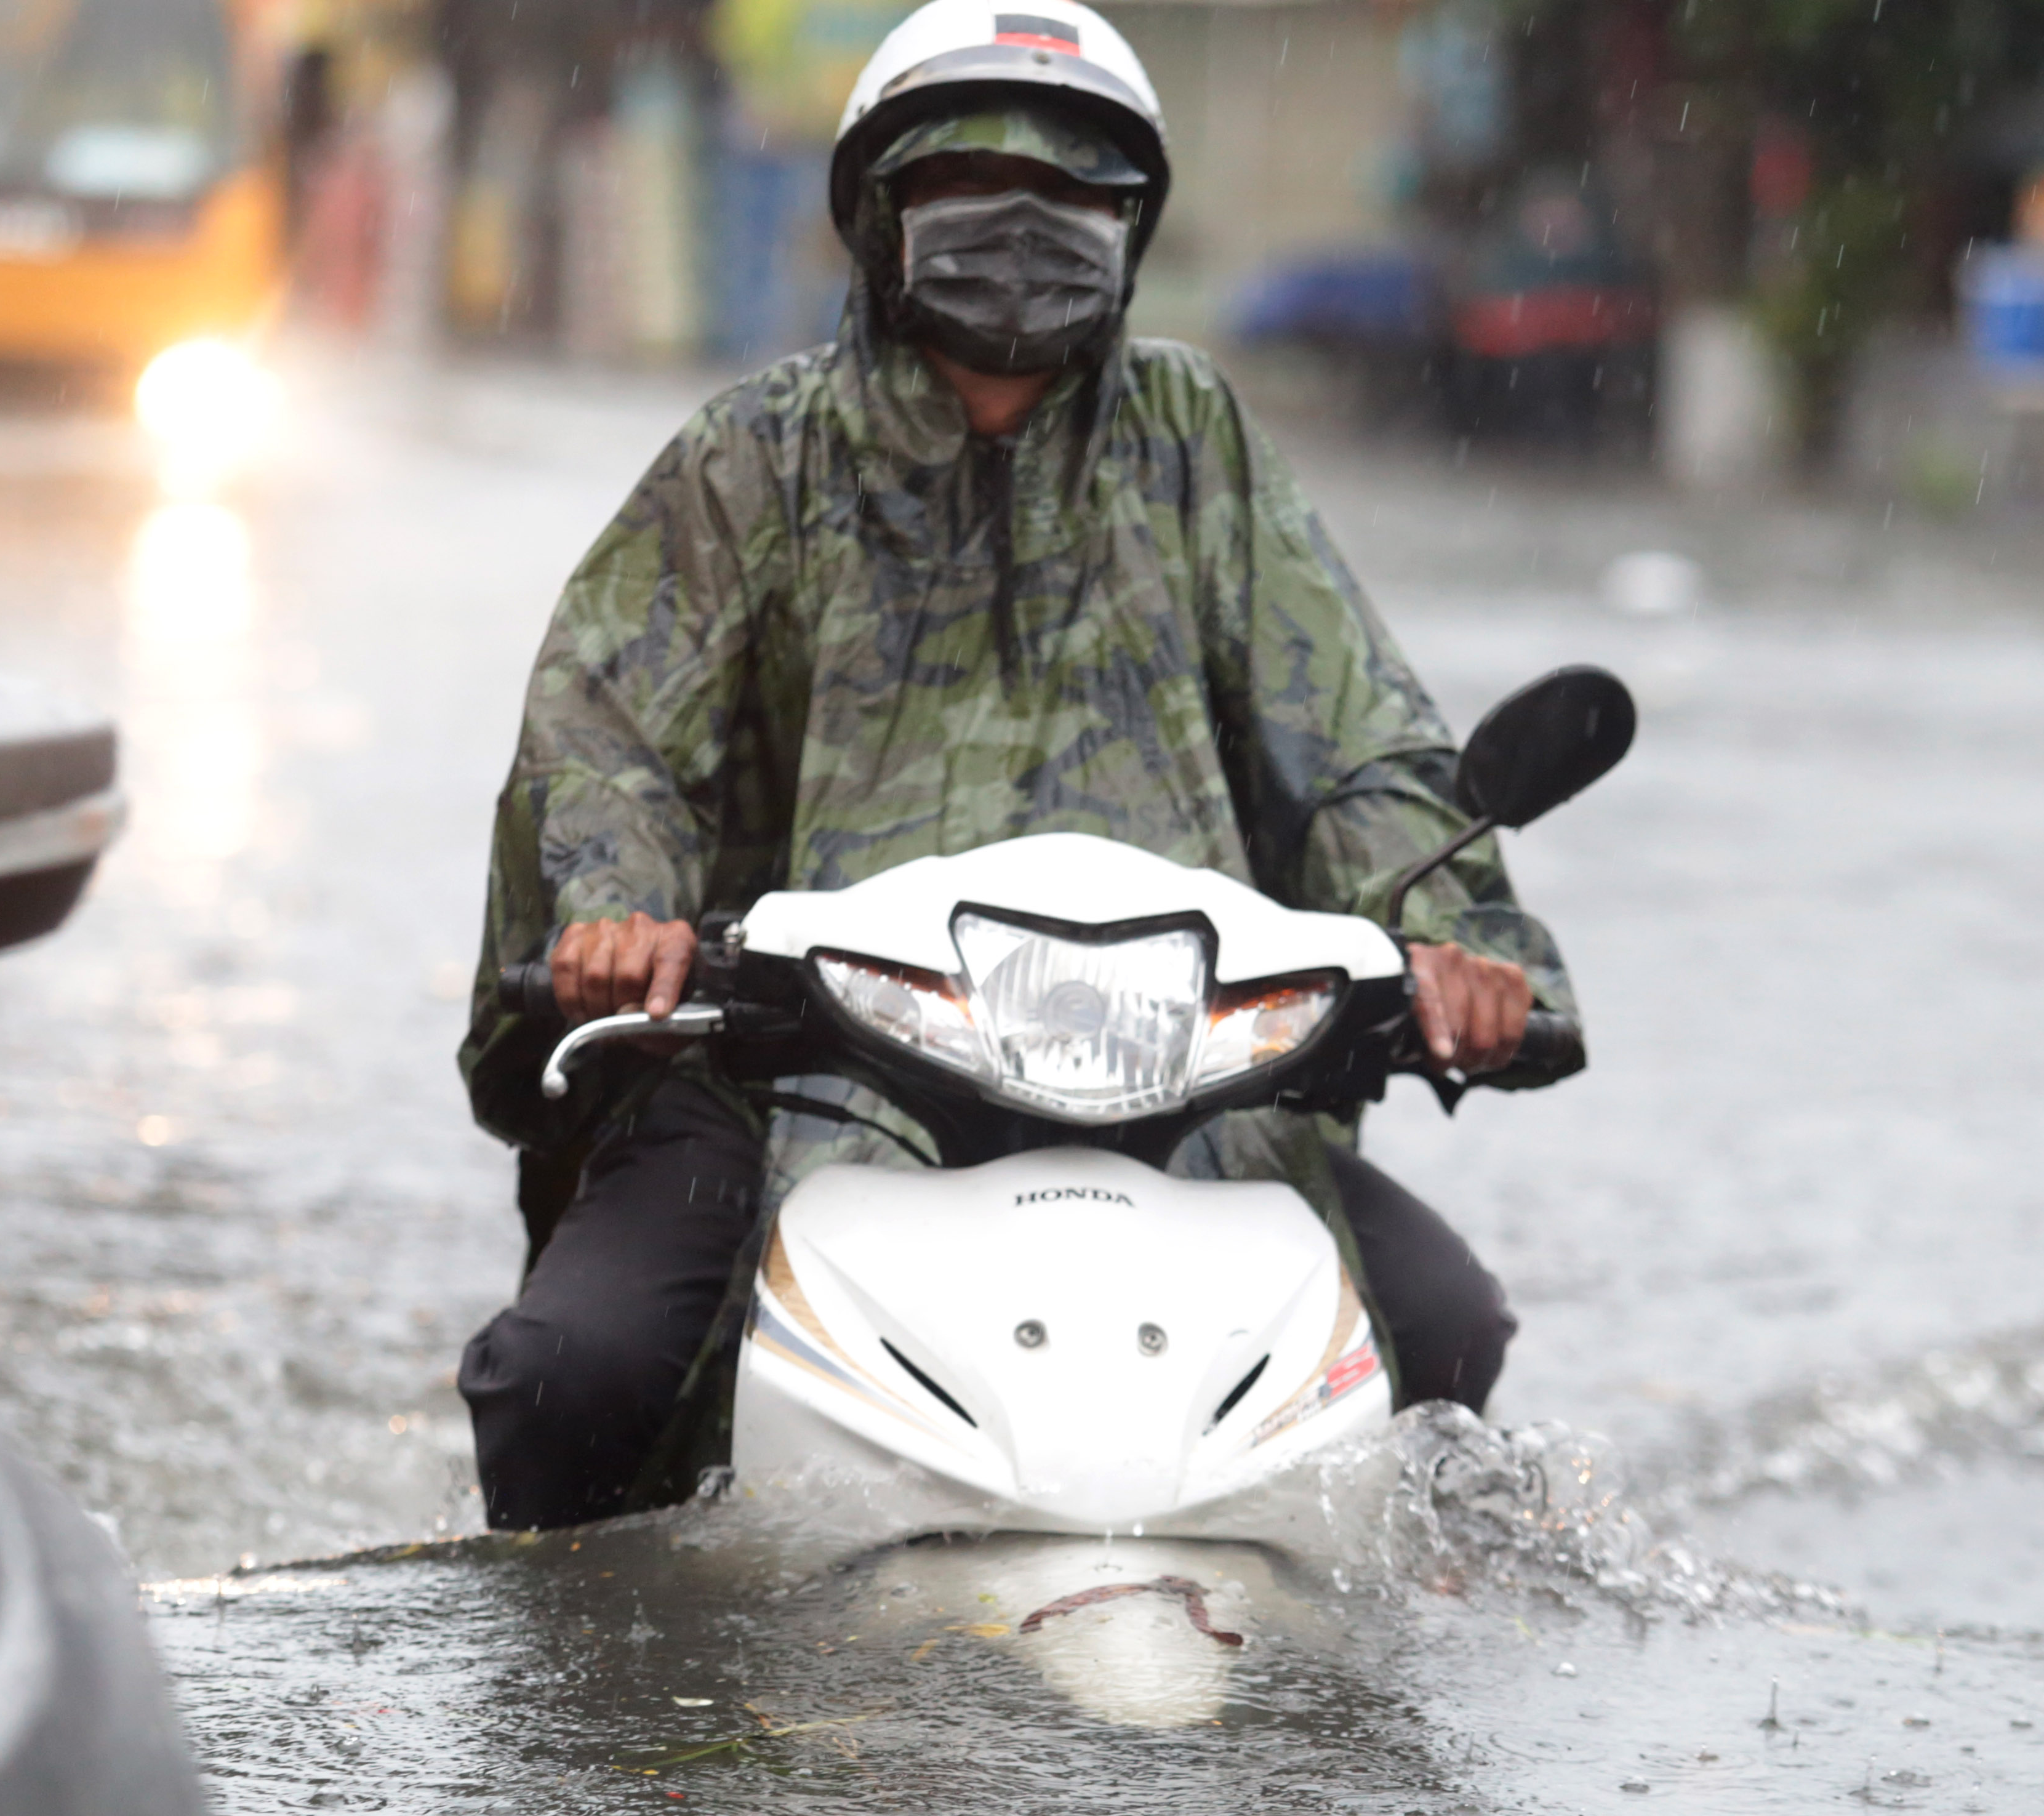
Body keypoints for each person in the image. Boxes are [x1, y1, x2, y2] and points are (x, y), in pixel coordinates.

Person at [455, 0, 1579, 1529]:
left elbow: (1356, 729)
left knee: (1447, 1327)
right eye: (978, 202)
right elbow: (609, 729)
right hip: (797, 1056)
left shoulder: (1195, 443)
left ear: (1130, 231)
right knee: (575, 1373)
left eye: (1074, 205)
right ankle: (576, 1723)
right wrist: (619, 910)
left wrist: (1459, 939)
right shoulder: (757, 456)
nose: (1026, 238)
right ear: (878, 221)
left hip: (1177, 1067)